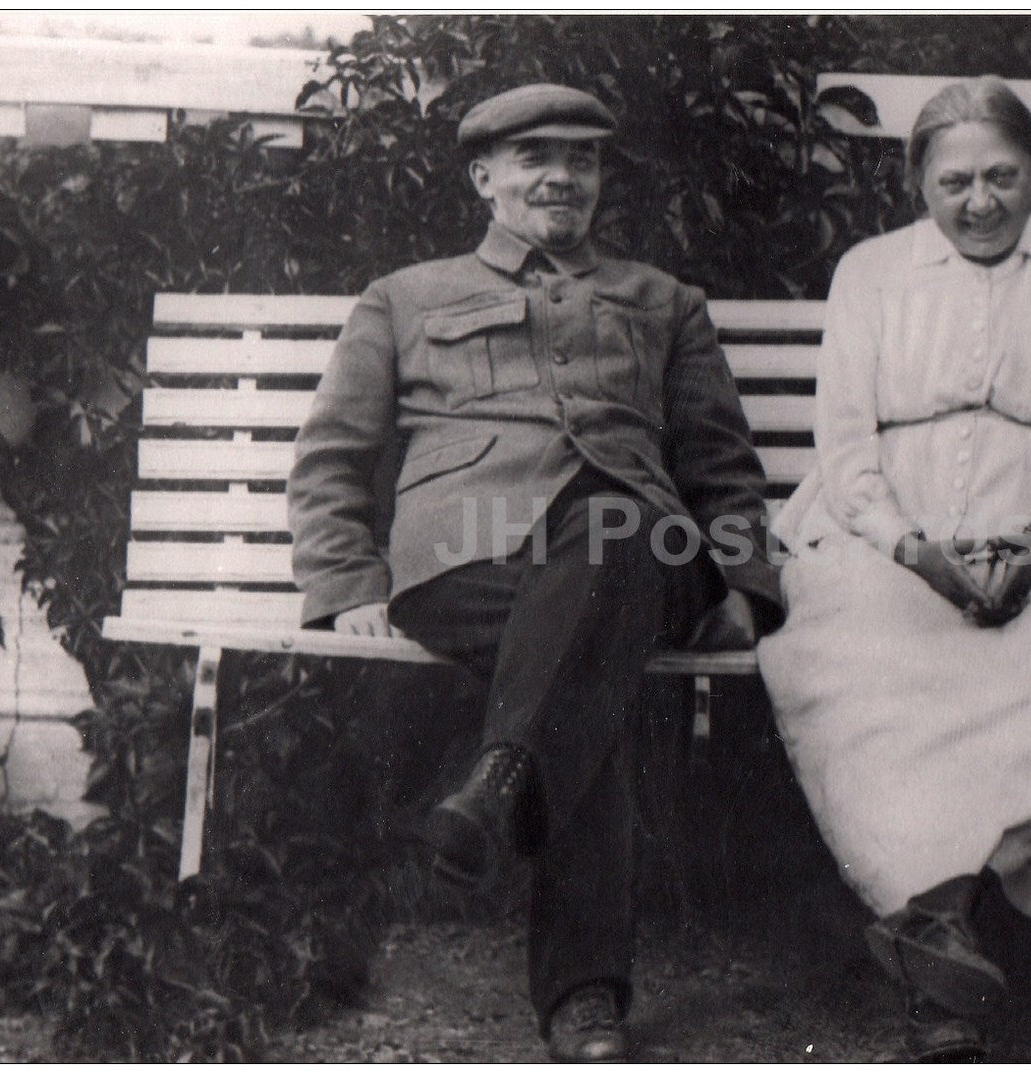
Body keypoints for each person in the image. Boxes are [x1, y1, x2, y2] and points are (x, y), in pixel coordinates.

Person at [288, 83, 782, 1062]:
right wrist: (346, 584)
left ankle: (499, 781)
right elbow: (332, 456)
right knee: (589, 657)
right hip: (466, 559)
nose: (562, 176)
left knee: (611, 538)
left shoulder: (663, 302)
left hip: (644, 550)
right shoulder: (405, 296)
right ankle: (582, 995)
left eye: (583, 159)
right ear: (484, 178)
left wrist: (743, 585)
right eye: (535, 158)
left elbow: (721, 466)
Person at [756, 76, 1031, 1062]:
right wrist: (914, 551)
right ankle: (949, 940)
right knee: (862, 655)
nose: (979, 202)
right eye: (953, 180)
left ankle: (938, 925)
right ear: (918, 181)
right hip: (891, 532)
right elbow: (844, 448)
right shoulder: (870, 274)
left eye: (1002, 177)